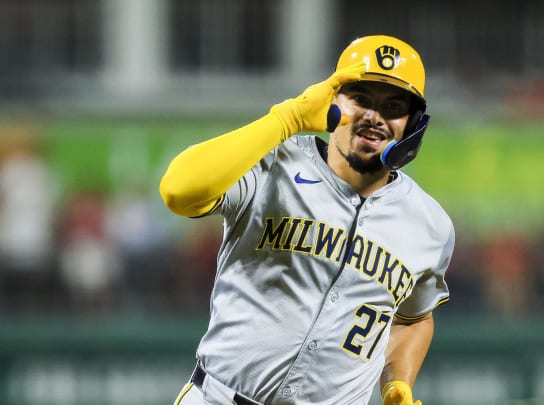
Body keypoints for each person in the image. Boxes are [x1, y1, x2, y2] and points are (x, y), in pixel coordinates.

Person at [161, 35, 455, 405]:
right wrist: (289, 118)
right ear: (332, 100)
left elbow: (413, 317)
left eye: (393, 106)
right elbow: (178, 191)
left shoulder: (430, 224)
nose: (374, 116)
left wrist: (398, 381)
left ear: (412, 124)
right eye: (361, 98)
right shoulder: (273, 164)